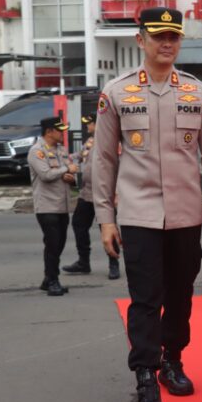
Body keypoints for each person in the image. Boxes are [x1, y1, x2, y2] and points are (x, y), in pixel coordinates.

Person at [92, 7, 202, 402]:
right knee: (146, 299)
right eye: (158, 37)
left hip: (187, 214)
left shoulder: (196, 92)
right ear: (141, 40)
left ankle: (173, 359)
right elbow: (102, 161)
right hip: (138, 214)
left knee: (181, 296)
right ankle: (146, 376)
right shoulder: (115, 93)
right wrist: (105, 219)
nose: (167, 43)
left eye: (173, 37)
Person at [63, 114, 121, 279]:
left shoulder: (112, 141)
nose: (87, 126)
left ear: (98, 124)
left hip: (106, 193)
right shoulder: (90, 141)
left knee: (108, 227)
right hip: (87, 192)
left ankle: (114, 263)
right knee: (79, 224)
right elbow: (79, 156)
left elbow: (120, 166)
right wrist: (64, 159)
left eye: (89, 123)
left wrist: (117, 192)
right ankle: (83, 262)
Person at [28, 116, 77, 296]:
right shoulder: (37, 151)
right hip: (47, 206)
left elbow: (63, 173)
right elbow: (46, 174)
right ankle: (53, 280)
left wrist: (70, 179)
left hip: (62, 205)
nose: (62, 133)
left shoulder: (61, 150)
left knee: (60, 243)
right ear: (49, 132)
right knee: (53, 243)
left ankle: (48, 279)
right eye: (59, 130)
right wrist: (67, 170)